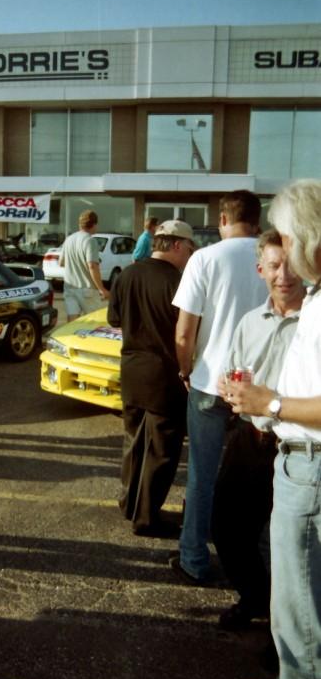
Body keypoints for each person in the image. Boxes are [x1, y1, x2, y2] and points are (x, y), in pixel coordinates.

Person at [227, 179, 321, 679]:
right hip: (297, 461)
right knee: (295, 613)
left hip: (310, 469)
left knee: (301, 620)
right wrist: (264, 399)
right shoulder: (314, 297)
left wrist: (274, 403)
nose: (282, 253)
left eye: (288, 236)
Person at [171, 190, 266, 584]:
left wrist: (185, 369)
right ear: (258, 223)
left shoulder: (204, 258)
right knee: (258, 483)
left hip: (210, 381)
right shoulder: (274, 260)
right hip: (260, 390)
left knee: (202, 475)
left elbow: (184, 330)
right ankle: (256, 567)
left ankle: (193, 558)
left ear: (222, 219)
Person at [212, 229, 304, 630]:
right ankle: (254, 598)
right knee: (227, 529)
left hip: (296, 442)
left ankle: (283, 638)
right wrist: (226, 387)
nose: (283, 275)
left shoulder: (314, 321)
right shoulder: (251, 321)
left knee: (289, 549)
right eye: (273, 265)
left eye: (290, 264)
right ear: (260, 269)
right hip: (250, 437)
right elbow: (232, 368)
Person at [108, 220, 195, 536]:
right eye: (188, 248)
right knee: (161, 450)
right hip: (164, 375)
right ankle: (146, 518)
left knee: (133, 440)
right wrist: (186, 371)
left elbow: (114, 319)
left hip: (131, 370)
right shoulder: (180, 281)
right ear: (175, 245)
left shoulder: (127, 273)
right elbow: (186, 333)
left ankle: (128, 502)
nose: (190, 254)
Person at [58, 210, 110, 322]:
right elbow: (92, 266)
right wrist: (102, 289)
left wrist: (75, 262)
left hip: (70, 288)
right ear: (94, 224)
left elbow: (61, 262)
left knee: (72, 322)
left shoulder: (69, 239)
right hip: (87, 290)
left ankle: (72, 339)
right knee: (94, 322)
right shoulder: (90, 240)